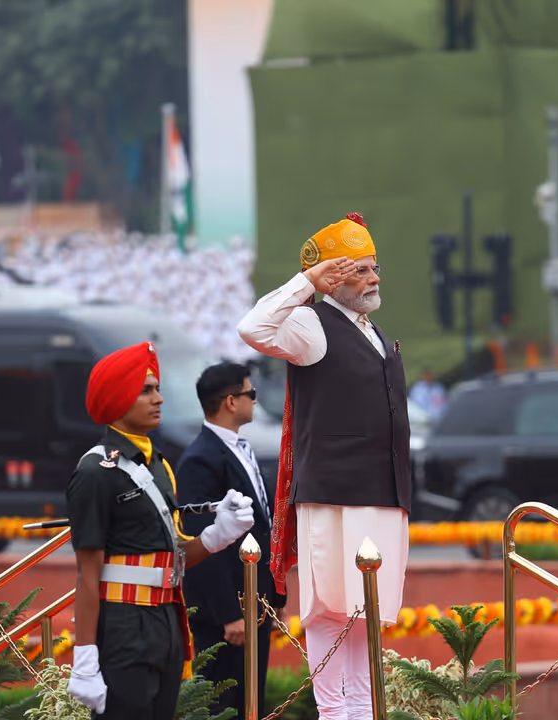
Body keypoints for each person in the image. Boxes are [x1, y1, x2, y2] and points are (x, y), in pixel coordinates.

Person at [238, 212, 411, 720]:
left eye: (374, 268)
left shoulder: (373, 330)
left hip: (385, 493)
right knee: (330, 609)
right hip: (335, 493)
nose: (373, 278)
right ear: (333, 279)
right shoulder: (312, 324)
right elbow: (252, 327)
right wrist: (306, 283)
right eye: (359, 270)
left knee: (368, 611)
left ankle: (360, 710)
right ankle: (333, 712)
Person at [65, 341, 256, 719]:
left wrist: (219, 534)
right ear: (119, 399)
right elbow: (87, 573)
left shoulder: (159, 467)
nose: (159, 399)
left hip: (167, 618)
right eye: (146, 391)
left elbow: (175, 553)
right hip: (122, 622)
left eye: (158, 389)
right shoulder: (94, 472)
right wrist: (84, 656)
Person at [177, 362, 285, 717]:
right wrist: (228, 613)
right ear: (229, 401)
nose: (255, 400)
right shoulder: (199, 461)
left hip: (256, 598)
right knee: (223, 704)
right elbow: (200, 542)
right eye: (249, 393)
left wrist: (275, 593)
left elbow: (263, 525)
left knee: (251, 700)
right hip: (228, 612)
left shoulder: (241, 447)